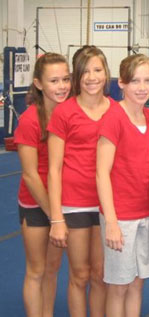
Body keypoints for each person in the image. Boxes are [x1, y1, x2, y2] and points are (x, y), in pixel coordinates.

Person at [48, 46, 113, 317]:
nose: (91, 77)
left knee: (100, 274)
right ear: (77, 76)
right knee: (80, 274)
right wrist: (56, 218)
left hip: (105, 203)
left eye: (97, 70)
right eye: (85, 71)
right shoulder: (64, 112)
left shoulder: (117, 110)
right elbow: (53, 169)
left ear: (106, 73)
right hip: (74, 204)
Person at [96, 54, 149, 317]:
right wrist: (111, 221)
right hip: (121, 217)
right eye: (135, 80)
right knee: (118, 286)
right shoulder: (114, 117)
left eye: (148, 80)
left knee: (137, 282)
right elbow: (102, 173)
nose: (142, 87)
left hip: (146, 213)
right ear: (121, 83)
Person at [14, 53, 70, 317]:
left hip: (62, 200)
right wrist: (54, 215)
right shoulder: (29, 120)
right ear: (38, 83)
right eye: (54, 80)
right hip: (37, 203)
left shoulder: (71, 113)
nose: (62, 86)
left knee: (52, 269)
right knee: (36, 270)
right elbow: (30, 175)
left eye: (66, 79)